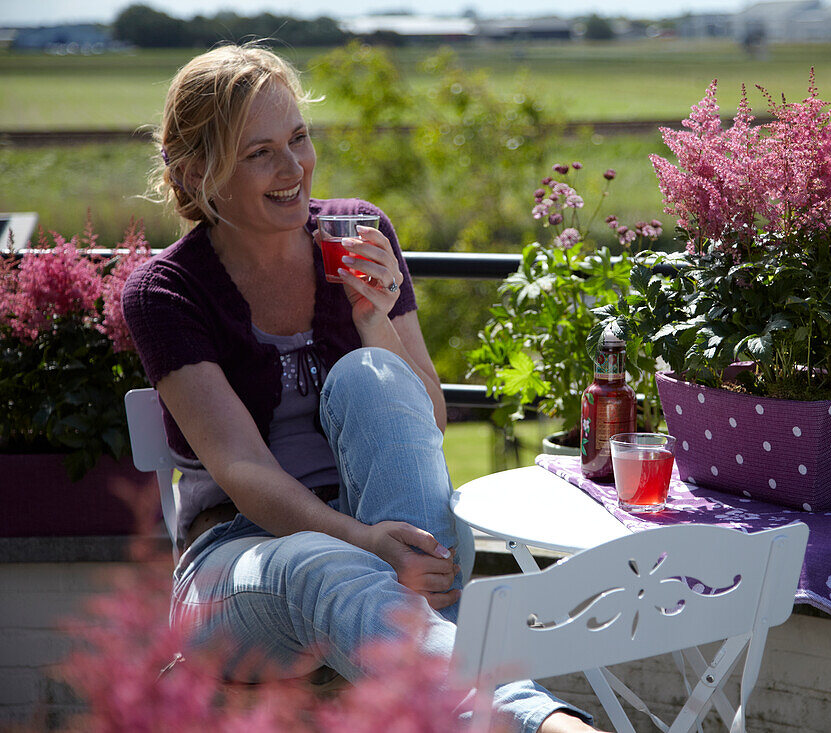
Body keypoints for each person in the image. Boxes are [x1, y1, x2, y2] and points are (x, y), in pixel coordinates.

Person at [122, 44, 599, 733]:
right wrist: (365, 543)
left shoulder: (360, 232)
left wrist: (372, 316)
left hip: (391, 528)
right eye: (260, 154)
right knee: (320, 564)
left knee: (372, 374)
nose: (294, 170)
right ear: (198, 174)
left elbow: (425, 420)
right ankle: (535, 722)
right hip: (238, 567)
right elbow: (246, 473)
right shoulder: (167, 293)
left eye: (299, 138)